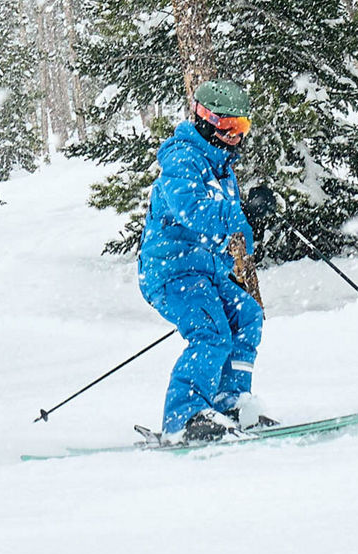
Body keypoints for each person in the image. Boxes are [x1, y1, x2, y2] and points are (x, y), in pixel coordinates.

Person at [139, 79, 276, 442]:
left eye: (242, 127)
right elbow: (193, 211)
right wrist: (241, 211)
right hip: (172, 271)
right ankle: (184, 417)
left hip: (207, 270)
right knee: (212, 334)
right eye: (229, 127)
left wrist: (255, 221)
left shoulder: (221, 166)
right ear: (206, 119)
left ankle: (229, 402)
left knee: (246, 317)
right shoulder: (182, 159)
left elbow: (233, 230)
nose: (236, 136)